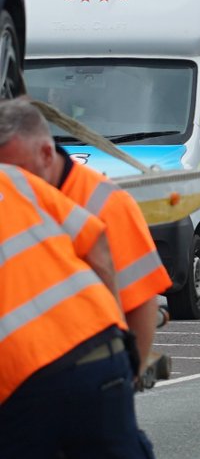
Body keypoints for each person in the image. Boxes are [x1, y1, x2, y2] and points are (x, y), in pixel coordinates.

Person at [0, 97, 170, 379]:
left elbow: (140, 302)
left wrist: (129, 375)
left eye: (17, 171)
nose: (11, 182)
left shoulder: (106, 203)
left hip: (82, 370)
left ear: (45, 153)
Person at [0, 162, 155, 457]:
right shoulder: (12, 176)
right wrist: (121, 339)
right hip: (97, 350)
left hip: (19, 379)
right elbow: (97, 246)